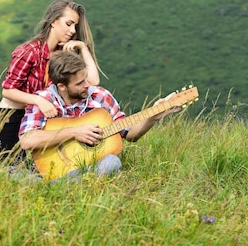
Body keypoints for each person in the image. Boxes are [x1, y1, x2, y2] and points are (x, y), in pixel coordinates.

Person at [19, 51, 180, 180]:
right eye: (80, 83)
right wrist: (74, 132)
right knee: (11, 173)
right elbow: (27, 141)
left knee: (112, 162)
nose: (87, 85)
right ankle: (65, 183)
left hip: (94, 165)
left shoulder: (100, 96)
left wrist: (151, 117)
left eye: (86, 79)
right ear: (61, 86)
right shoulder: (43, 100)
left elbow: (129, 134)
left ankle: (57, 186)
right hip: (54, 167)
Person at [0, 0, 101, 164]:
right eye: (68, 23)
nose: (72, 30)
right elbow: (7, 90)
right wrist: (39, 101)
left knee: (42, 172)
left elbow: (92, 81)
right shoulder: (29, 51)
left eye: (75, 26)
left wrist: (83, 48)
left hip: (37, 120)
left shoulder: (60, 56)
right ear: (53, 21)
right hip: (11, 119)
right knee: (13, 173)